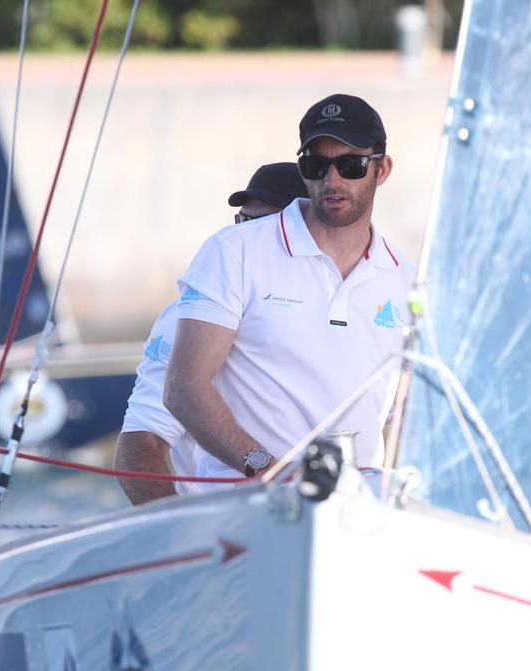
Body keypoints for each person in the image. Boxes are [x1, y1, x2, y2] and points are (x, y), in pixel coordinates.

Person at [163, 93, 414, 489]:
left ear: (381, 170)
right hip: (246, 508)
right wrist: (267, 468)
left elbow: (407, 416)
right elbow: (182, 387)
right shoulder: (233, 251)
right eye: (316, 165)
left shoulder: (406, 280)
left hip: (358, 515)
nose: (332, 181)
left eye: (350, 165)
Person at [115, 162, 309, 505]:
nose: (242, 236)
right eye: (241, 223)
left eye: (260, 226)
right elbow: (139, 447)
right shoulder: (189, 317)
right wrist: (175, 534)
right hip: (225, 530)